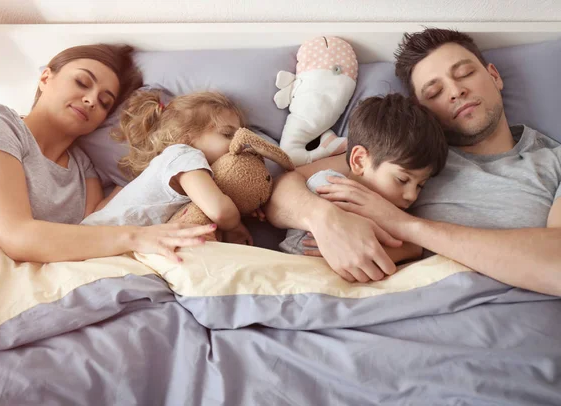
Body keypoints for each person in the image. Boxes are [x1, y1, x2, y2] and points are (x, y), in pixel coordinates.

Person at [265, 28, 561, 296]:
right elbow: (280, 187)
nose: (456, 91)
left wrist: (404, 225)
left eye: (465, 73)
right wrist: (323, 218)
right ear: (424, 109)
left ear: (494, 76)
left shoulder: (553, 160)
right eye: (434, 92)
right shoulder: (409, 152)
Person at [0, 44, 216, 264]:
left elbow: (97, 228)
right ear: (46, 78)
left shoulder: (84, 169)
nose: (92, 100)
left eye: (105, 102)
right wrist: (136, 237)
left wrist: (159, 161)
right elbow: (15, 235)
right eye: (82, 83)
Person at [279, 93, 447, 266]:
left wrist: (410, 248)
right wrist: (407, 249)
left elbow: (404, 249)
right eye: (402, 180)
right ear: (359, 160)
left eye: (420, 186)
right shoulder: (330, 187)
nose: (412, 196)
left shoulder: (391, 211)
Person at [81, 88, 255, 246]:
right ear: (187, 137)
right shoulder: (183, 155)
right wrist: (236, 226)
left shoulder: (186, 165)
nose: (238, 143)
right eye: (227, 134)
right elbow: (219, 211)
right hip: (97, 240)